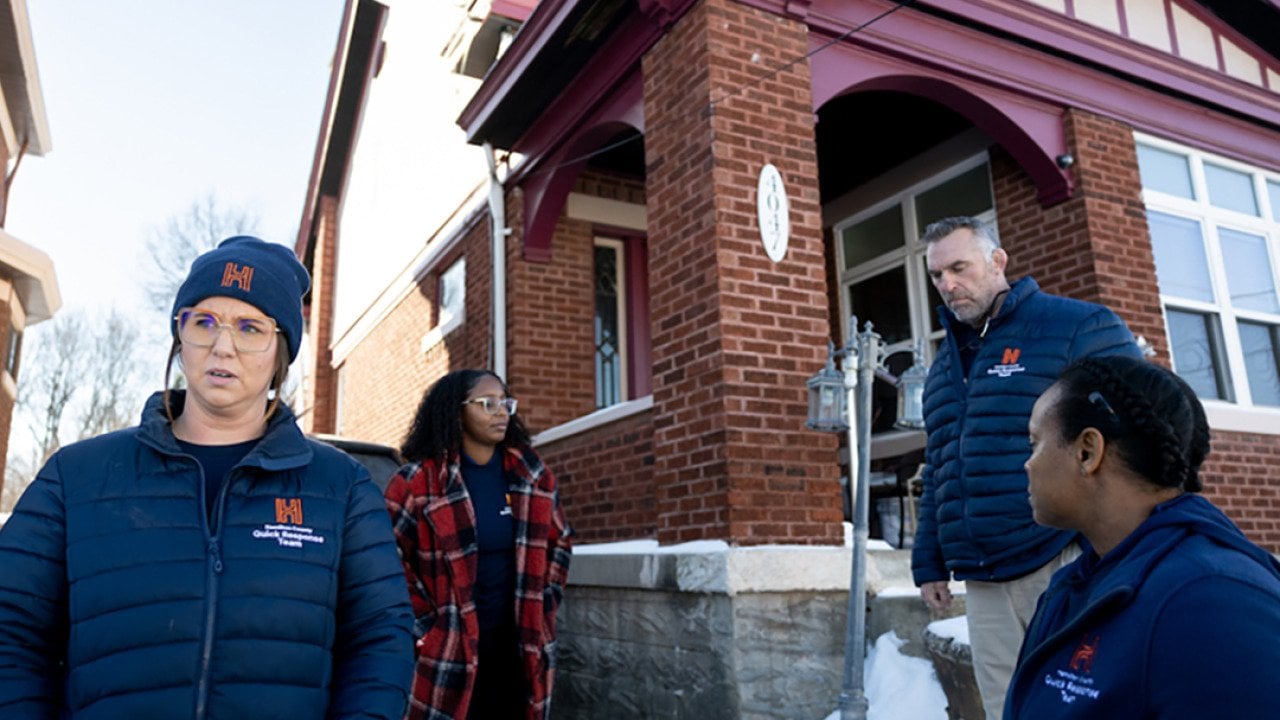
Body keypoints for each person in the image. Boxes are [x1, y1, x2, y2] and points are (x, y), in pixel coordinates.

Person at [0, 236, 415, 719]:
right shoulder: (76, 477)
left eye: (250, 327)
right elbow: (10, 628)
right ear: (181, 339)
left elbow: (380, 637)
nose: (223, 346)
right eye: (204, 322)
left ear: (281, 352)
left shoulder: (340, 488)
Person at [910, 216, 1143, 719]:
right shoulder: (943, 367)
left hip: (1061, 557)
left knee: (1079, 704)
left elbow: (1142, 427)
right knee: (1006, 709)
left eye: (959, 267)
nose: (948, 284)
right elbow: (942, 464)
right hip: (982, 574)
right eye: (936, 275)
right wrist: (929, 558)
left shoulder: (1077, 327)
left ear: (998, 262)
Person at [1005, 356, 1280, 718]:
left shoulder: (1212, 599)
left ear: (1087, 451)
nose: (1028, 464)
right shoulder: (1075, 583)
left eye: (1034, 442)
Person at [385, 369, 572, 720]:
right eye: (488, 404)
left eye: (505, 403)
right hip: (449, 650)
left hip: (520, 647)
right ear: (455, 411)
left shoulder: (532, 475)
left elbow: (559, 541)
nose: (501, 412)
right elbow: (386, 562)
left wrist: (544, 603)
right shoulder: (418, 483)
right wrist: (426, 626)